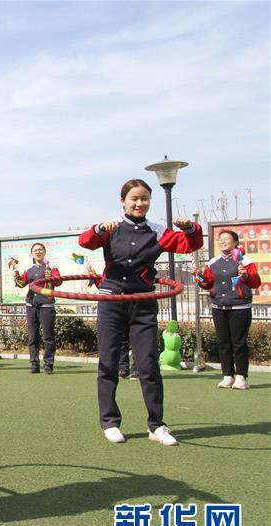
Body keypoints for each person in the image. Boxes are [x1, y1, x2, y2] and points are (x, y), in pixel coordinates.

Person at [80, 178, 203, 446]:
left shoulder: (158, 231)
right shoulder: (111, 227)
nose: (139, 203)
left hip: (144, 302)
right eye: (134, 198)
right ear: (123, 201)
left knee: (148, 364)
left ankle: (156, 425)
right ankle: (110, 422)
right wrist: (100, 228)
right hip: (111, 300)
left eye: (144, 198)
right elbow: (85, 241)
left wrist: (191, 227)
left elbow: (189, 245)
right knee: (109, 363)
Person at [193, 230, 261, 389]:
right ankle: (227, 375)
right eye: (220, 239)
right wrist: (198, 276)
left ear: (236, 242)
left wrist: (245, 276)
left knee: (239, 343)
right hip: (219, 306)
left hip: (239, 307)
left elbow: (256, 282)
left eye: (226, 239)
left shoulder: (245, 261)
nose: (222, 242)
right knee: (223, 343)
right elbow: (207, 283)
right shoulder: (213, 262)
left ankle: (241, 377)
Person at [13, 243, 61, 374]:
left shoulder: (51, 268)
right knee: (32, 336)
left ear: (44, 252)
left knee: (48, 337)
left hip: (47, 305)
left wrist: (50, 276)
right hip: (31, 305)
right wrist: (16, 276)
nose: (38, 252)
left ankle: (48, 364)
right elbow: (21, 284)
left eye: (40, 250)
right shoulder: (29, 269)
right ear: (32, 254)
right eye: (35, 250)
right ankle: (34, 364)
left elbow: (58, 281)